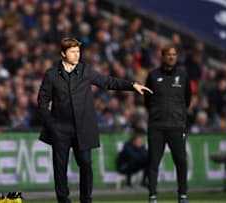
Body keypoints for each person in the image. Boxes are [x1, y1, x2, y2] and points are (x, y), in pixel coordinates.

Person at [37, 38, 152, 203]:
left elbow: (108, 82)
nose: (77, 55)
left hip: (83, 128)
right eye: (73, 52)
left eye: (78, 51)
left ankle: (86, 200)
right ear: (63, 54)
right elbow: (42, 101)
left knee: (85, 164)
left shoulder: (85, 71)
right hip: (60, 128)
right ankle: (63, 200)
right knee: (59, 168)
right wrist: (51, 124)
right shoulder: (52, 74)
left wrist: (132, 85)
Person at [144, 44, 191, 203]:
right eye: (168, 54)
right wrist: (157, 114)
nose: (171, 57)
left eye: (174, 54)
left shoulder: (183, 76)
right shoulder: (152, 75)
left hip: (176, 126)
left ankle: (183, 195)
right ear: (162, 56)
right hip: (156, 127)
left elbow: (187, 100)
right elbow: (147, 100)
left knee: (181, 161)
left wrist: (178, 115)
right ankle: (152, 196)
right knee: (153, 161)